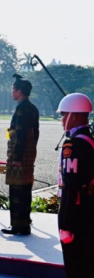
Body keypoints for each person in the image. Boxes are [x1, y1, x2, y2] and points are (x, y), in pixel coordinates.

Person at [56, 93, 94, 277]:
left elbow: (71, 186)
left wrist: (65, 223)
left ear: (76, 115)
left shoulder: (74, 145)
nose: (62, 119)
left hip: (76, 214)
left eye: (64, 114)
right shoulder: (89, 139)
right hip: (88, 209)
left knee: (75, 264)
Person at [2, 75, 39, 236]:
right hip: (28, 154)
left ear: (19, 91)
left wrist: (16, 157)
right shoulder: (32, 107)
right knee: (25, 190)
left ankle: (18, 225)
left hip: (20, 155)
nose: (11, 92)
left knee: (17, 191)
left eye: (13, 89)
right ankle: (24, 222)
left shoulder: (22, 108)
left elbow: (20, 134)